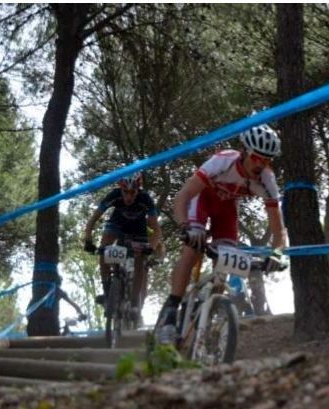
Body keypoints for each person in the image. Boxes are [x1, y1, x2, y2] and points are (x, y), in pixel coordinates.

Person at [156, 124, 287, 344]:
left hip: (226, 209)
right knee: (191, 250)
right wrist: (185, 226)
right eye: (257, 157)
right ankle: (171, 310)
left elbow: (278, 230)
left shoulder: (267, 180)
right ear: (244, 152)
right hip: (202, 199)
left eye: (266, 160)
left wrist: (277, 253)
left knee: (225, 263)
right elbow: (184, 195)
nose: (260, 164)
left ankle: (209, 306)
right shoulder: (222, 161)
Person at [83, 172, 162, 320]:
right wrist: (88, 240)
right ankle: (107, 293)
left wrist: (151, 247)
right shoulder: (114, 195)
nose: (129, 197)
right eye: (125, 192)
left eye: (133, 192)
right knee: (103, 251)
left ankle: (134, 303)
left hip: (138, 229)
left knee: (140, 260)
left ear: (138, 190)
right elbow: (93, 220)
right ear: (120, 189)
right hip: (117, 225)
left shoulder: (145, 199)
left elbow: (157, 230)